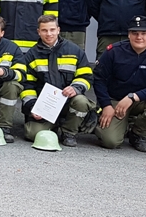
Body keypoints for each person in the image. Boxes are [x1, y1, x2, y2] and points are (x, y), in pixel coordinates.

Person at [91, 15, 146, 153]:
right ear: (129, 34)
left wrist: (133, 97)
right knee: (110, 141)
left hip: (142, 101)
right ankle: (111, 123)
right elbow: (99, 79)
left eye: (144, 33)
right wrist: (106, 105)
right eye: (135, 33)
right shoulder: (114, 51)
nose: (139, 37)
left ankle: (138, 134)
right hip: (116, 101)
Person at [18, 15, 93, 147]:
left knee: (81, 101)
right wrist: (33, 106)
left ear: (58, 30)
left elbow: (86, 76)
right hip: (44, 107)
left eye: (52, 30)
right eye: (44, 30)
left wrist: (75, 88)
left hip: (68, 103)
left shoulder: (74, 51)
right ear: (38, 32)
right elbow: (27, 85)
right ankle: (52, 125)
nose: (49, 34)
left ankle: (69, 132)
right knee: (32, 134)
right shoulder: (31, 55)